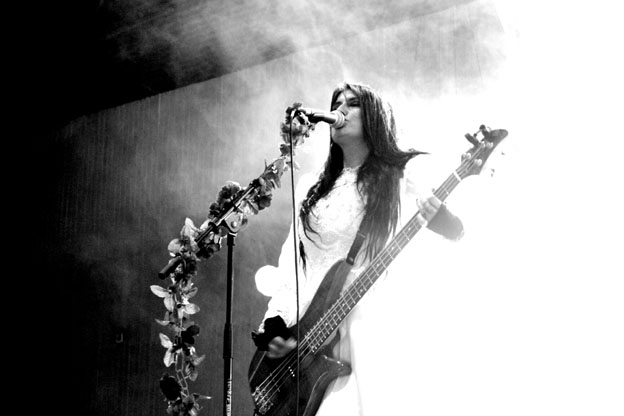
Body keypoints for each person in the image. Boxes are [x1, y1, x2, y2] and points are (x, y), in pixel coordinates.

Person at [251, 82, 464, 416]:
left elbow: (455, 231)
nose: (340, 109)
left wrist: (444, 220)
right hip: (305, 340)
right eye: (336, 102)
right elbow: (292, 263)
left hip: (364, 327)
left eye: (352, 104)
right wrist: (276, 322)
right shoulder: (311, 187)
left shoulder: (398, 176)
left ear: (374, 118)